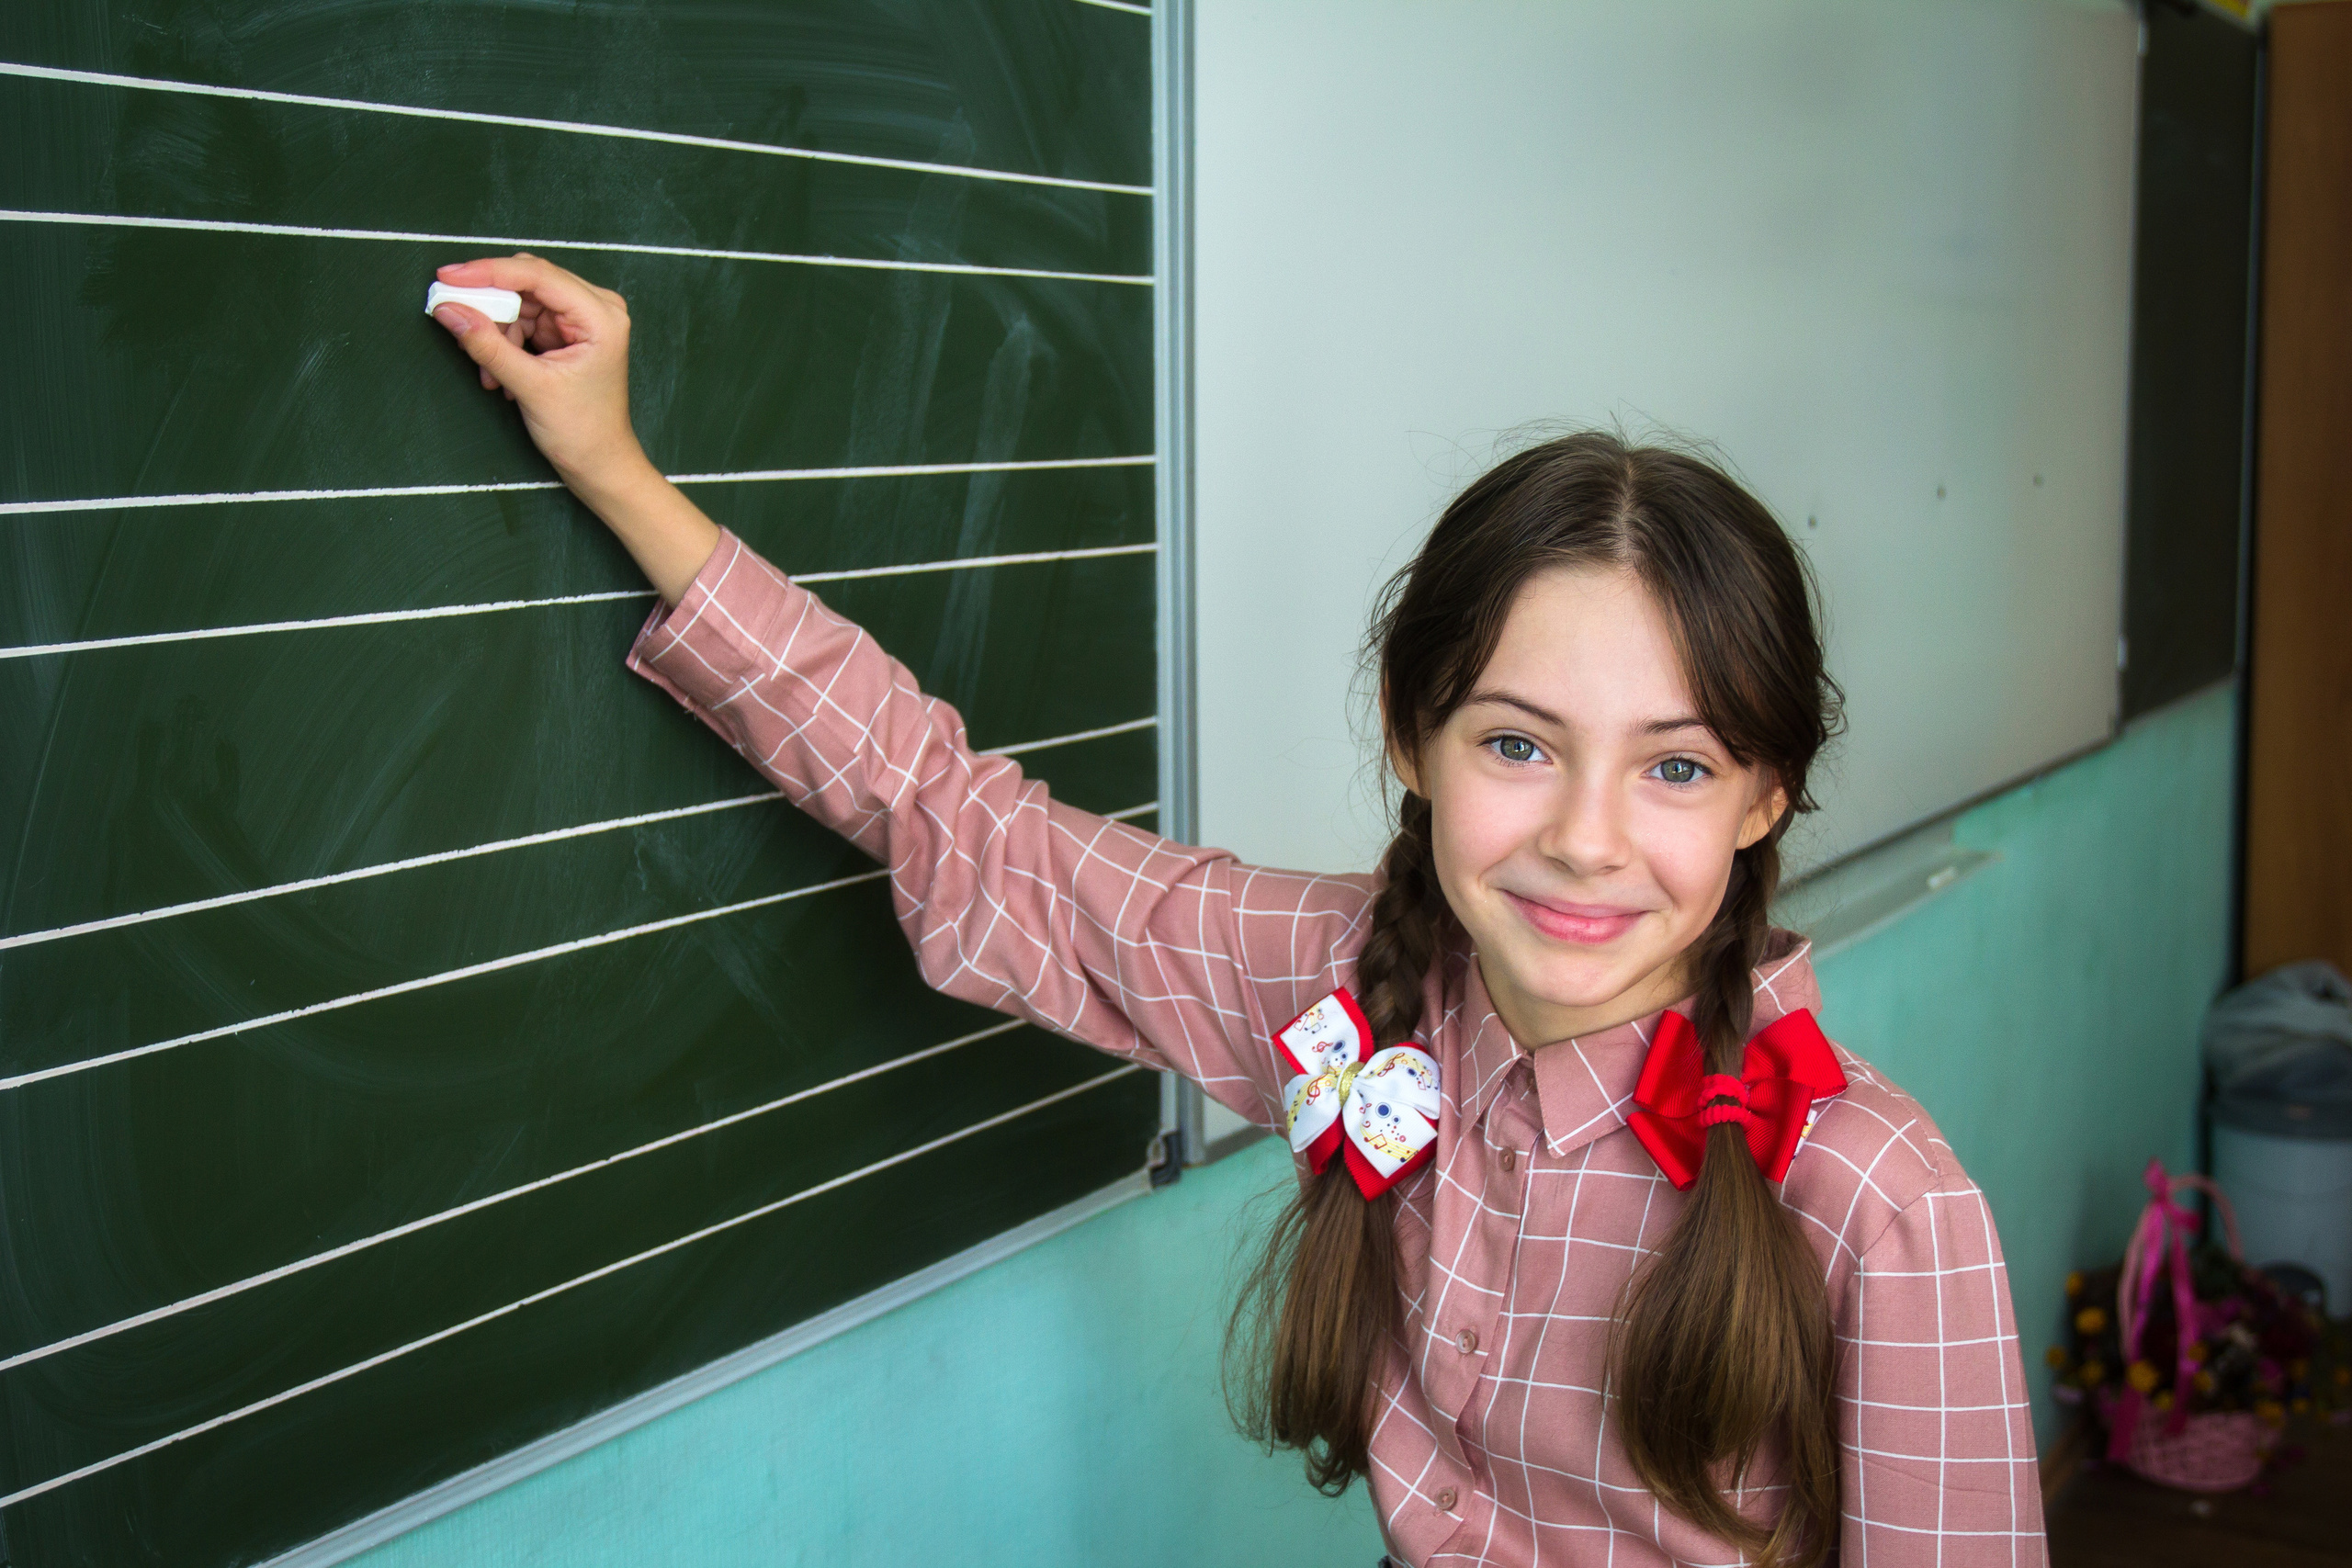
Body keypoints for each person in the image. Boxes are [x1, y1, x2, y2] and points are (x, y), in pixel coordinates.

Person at [429, 254, 2044, 1568]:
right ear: (1412, 739)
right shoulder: (1354, 987)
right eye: (1514, 744)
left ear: (1769, 797)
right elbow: (962, 821)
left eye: (1677, 770)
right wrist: (617, 471)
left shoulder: (1871, 1202)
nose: (1584, 839)